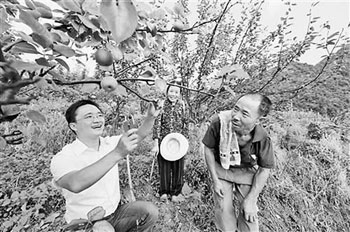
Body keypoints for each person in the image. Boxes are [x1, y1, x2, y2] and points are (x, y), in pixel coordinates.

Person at [50, 99, 159, 231]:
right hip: (84, 222)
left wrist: (150, 117)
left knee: (149, 211)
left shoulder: (109, 144)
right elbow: (75, 184)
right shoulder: (63, 157)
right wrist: (118, 153)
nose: (97, 120)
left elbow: (139, 135)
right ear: (74, 126)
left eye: (99, 115)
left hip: (115, 214)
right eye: (89, 117)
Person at [202, 93, 275, 232]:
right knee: (223, 208)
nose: (235, 116)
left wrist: (252, 199)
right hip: (222, 168)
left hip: (247, 172)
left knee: (248, 214)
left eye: (245, 114)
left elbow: (264, 169)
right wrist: (215, 180)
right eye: (236, 109)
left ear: (258, 120)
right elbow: (208, 149)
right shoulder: (219, 123)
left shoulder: (262, 137)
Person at [152, 82, 189, 203]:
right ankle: (164, 192)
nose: (173, 94)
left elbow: (186, 124)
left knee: (178, 168)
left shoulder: (183, 105)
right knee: (164, 167)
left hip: (178, 142)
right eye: (171, 91)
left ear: (179, 94)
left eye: (176, 92)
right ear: (167, 92)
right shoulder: (162, 104)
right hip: (164, 142)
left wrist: (185, 142)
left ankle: (175, 193)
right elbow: (156, 124)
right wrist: (155, 143)